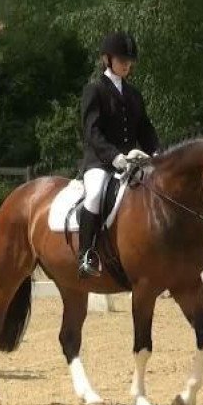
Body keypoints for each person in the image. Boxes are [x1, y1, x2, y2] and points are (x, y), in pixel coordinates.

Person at [78, 31, 161, 277]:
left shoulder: (134, 94)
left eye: (129, 60)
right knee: (94, 195)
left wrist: (155, 151)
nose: (127, 64)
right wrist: (114, 156)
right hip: (101, 162)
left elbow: (145, 128)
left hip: (132, 160)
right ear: (108, 60)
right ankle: (86, 255)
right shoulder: (95, 90)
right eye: (121, 59)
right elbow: (91, 131)